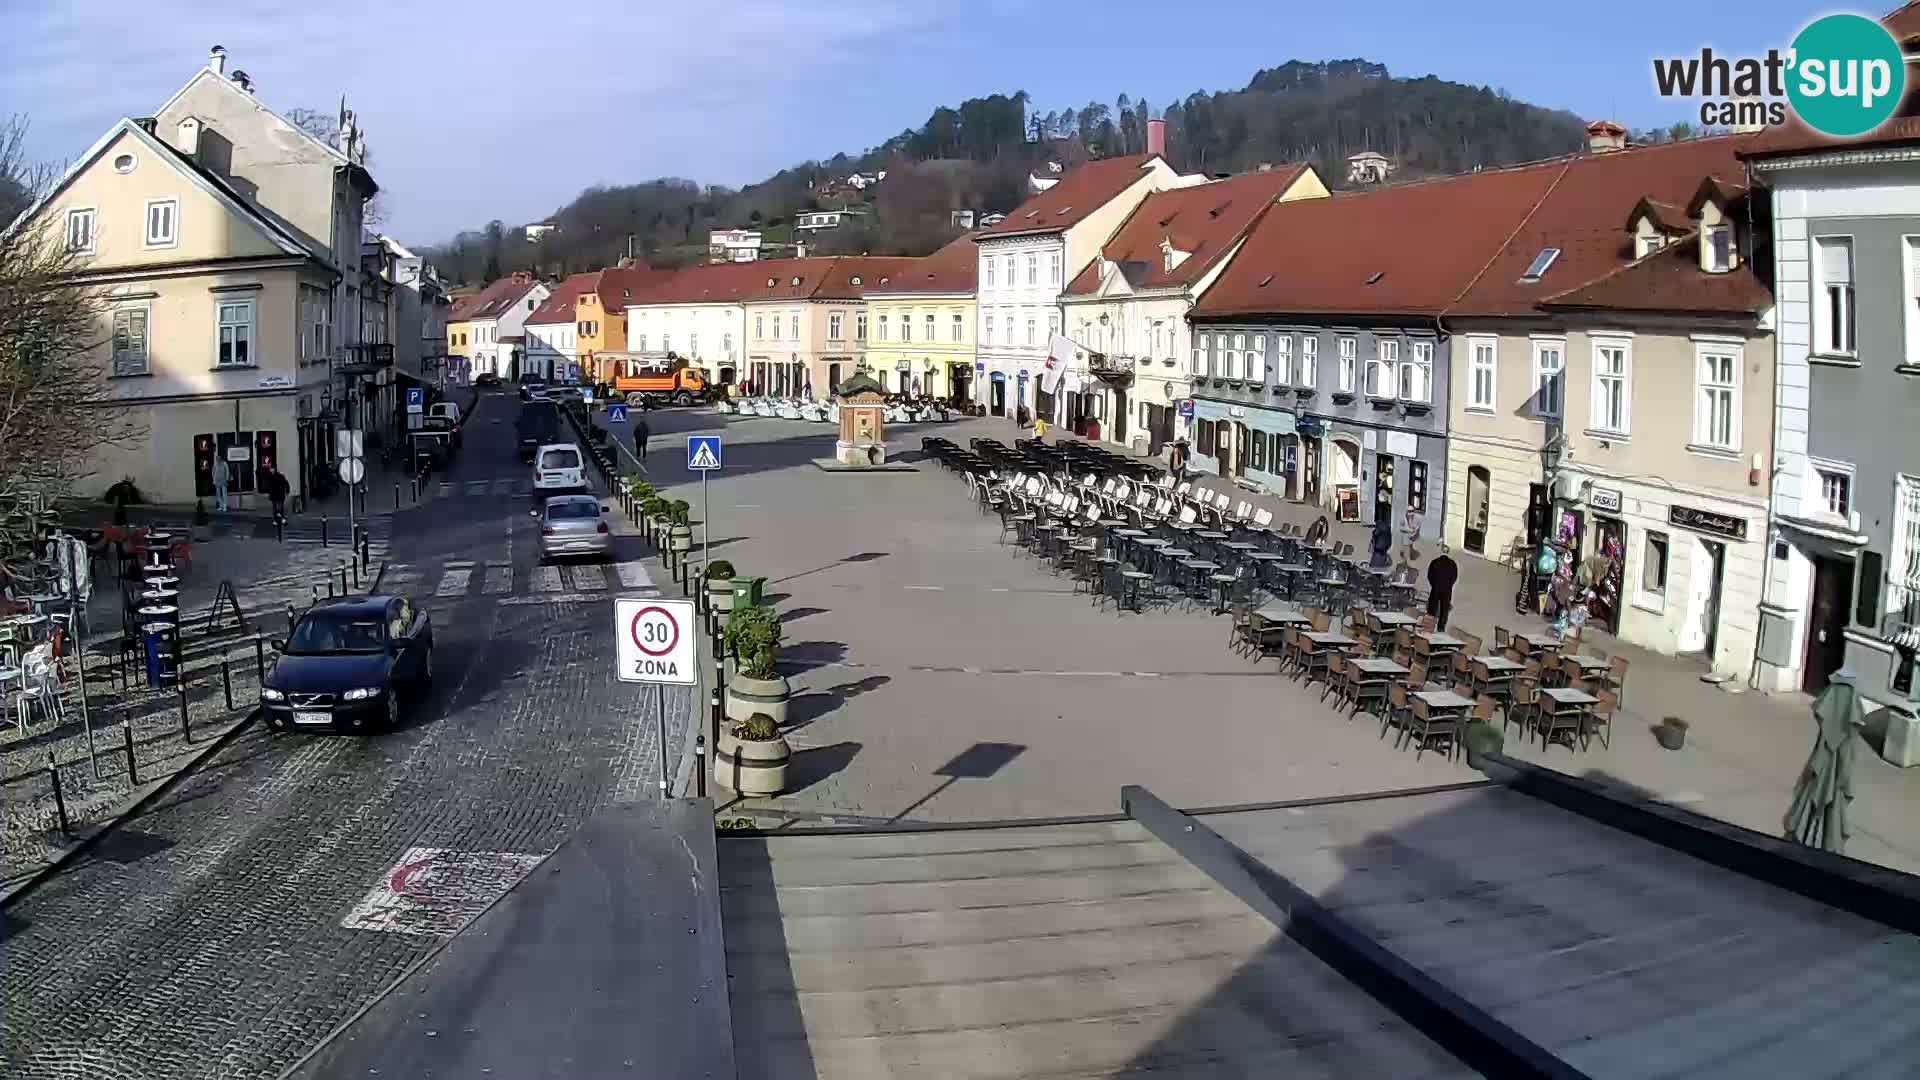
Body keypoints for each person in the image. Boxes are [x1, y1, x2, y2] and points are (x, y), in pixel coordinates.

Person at [1426, 544, 1458, 632]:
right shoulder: (1452, 564)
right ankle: (1441, 628)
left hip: (1436, 588)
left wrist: (1434, 585)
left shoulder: (1435, 562)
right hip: (1447, 589)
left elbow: (1430, 576)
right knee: (1444, 610)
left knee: (1432, 607)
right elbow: (1454, 577)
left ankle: (1428, 627)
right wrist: (1449, 585)